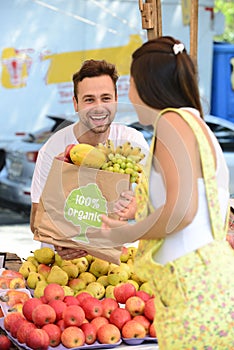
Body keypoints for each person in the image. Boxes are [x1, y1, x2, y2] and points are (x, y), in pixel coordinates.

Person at [90, 36, 234, 348]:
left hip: (190, 292)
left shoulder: (171, 122)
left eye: (129, 83)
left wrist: (124, 234)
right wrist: (141, 210)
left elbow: (183, 211)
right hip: (205, 289)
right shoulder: (196, 125)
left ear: (143, 83)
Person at [30, 59, 149, 256]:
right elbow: (37, 219)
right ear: (75, 104)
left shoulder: (131, 143)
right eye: (89, 100)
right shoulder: (53, 149)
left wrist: (137, 206)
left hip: (114, 264)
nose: (99, 107)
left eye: (105, 98)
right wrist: (63, 244)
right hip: (63, 266)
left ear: (116, 100)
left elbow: (159, 203)